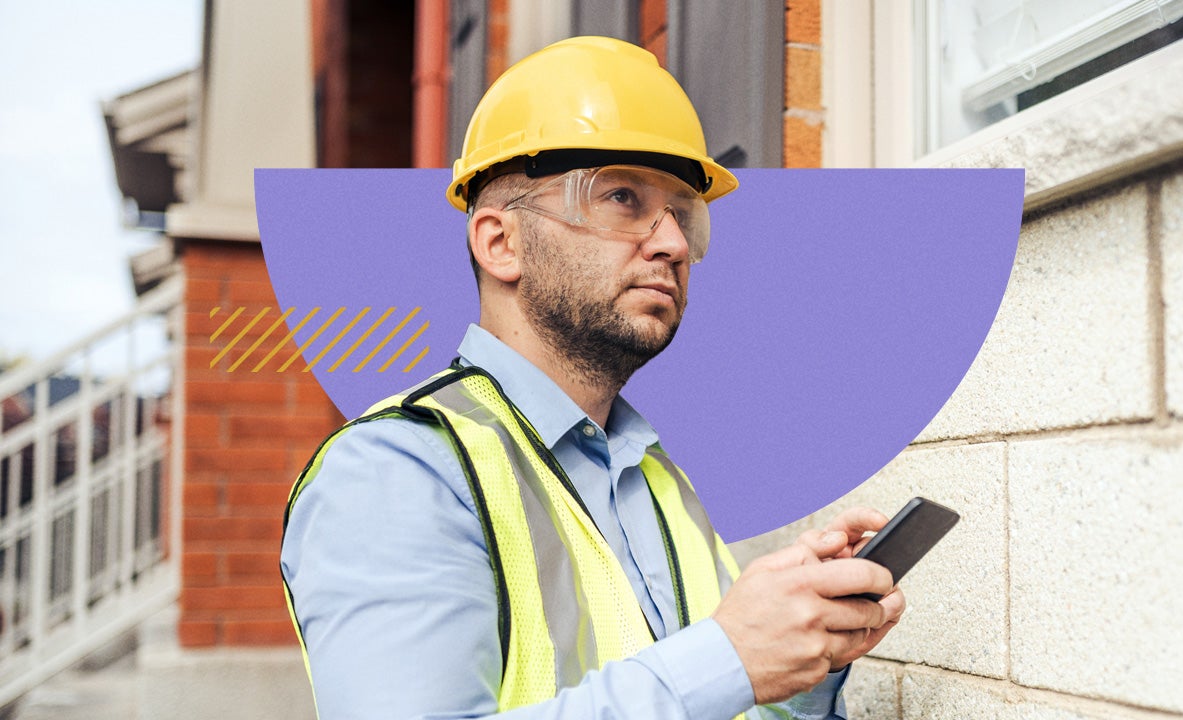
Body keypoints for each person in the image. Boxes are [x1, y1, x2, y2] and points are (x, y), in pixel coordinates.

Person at [280, 36, 905, 719]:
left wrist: (801, 658)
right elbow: (708, 677)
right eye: (621, 197)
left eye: (682, 214)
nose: (670, 243)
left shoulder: (655, 474)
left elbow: (722, 704)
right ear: (500, 242)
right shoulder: (397, 471)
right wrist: (730, 655)